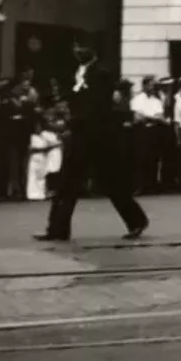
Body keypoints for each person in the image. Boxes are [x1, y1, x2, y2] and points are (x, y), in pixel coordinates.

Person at [34, 38, 149, 242]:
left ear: (93, 50)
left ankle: (136, 220)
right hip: (81, 135)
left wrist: (74, 115)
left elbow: (99, 106)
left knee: (110, 183)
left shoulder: (101, 74)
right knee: (67, 183)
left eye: (83, 47)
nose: (78, 50)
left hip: (98, 137)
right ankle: (57, 229)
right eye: (76, 47)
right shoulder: (77, 73)